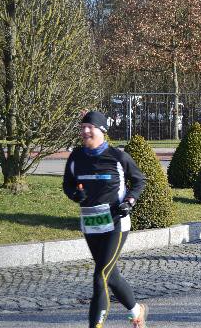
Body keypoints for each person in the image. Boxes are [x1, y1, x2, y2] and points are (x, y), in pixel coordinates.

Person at [62, 111, 148, 328]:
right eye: (82, 127)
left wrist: (129, 201)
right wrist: (75, 195)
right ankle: (137, 312)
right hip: (91, 223)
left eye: (89, 127)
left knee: (100, 276)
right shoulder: (76, 157)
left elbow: (139, 181)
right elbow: (67, 185)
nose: (85, 131)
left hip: (116, 223)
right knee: (111, 275)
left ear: (102, 130)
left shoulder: (118, 157)